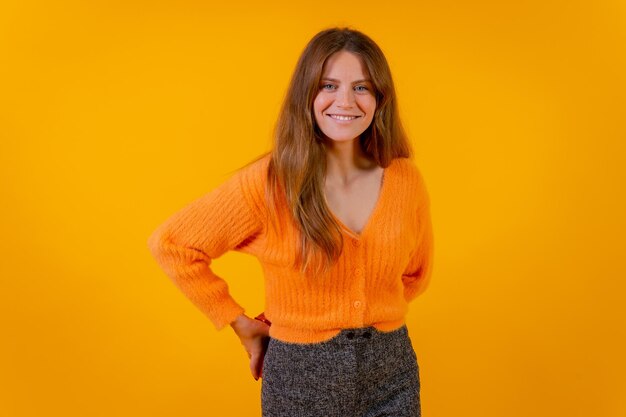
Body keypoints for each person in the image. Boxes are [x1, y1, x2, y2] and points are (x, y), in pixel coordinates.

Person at [147, 26, 434, 417]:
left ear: (381, 99)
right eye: (328, 85)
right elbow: (173, 244)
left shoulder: (405, 180)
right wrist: (237, 321)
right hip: (300, 375)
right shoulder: (270, 183)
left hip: (391, 371)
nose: (345, 101)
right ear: (307, 94)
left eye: (363, 88)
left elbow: (414, 275)